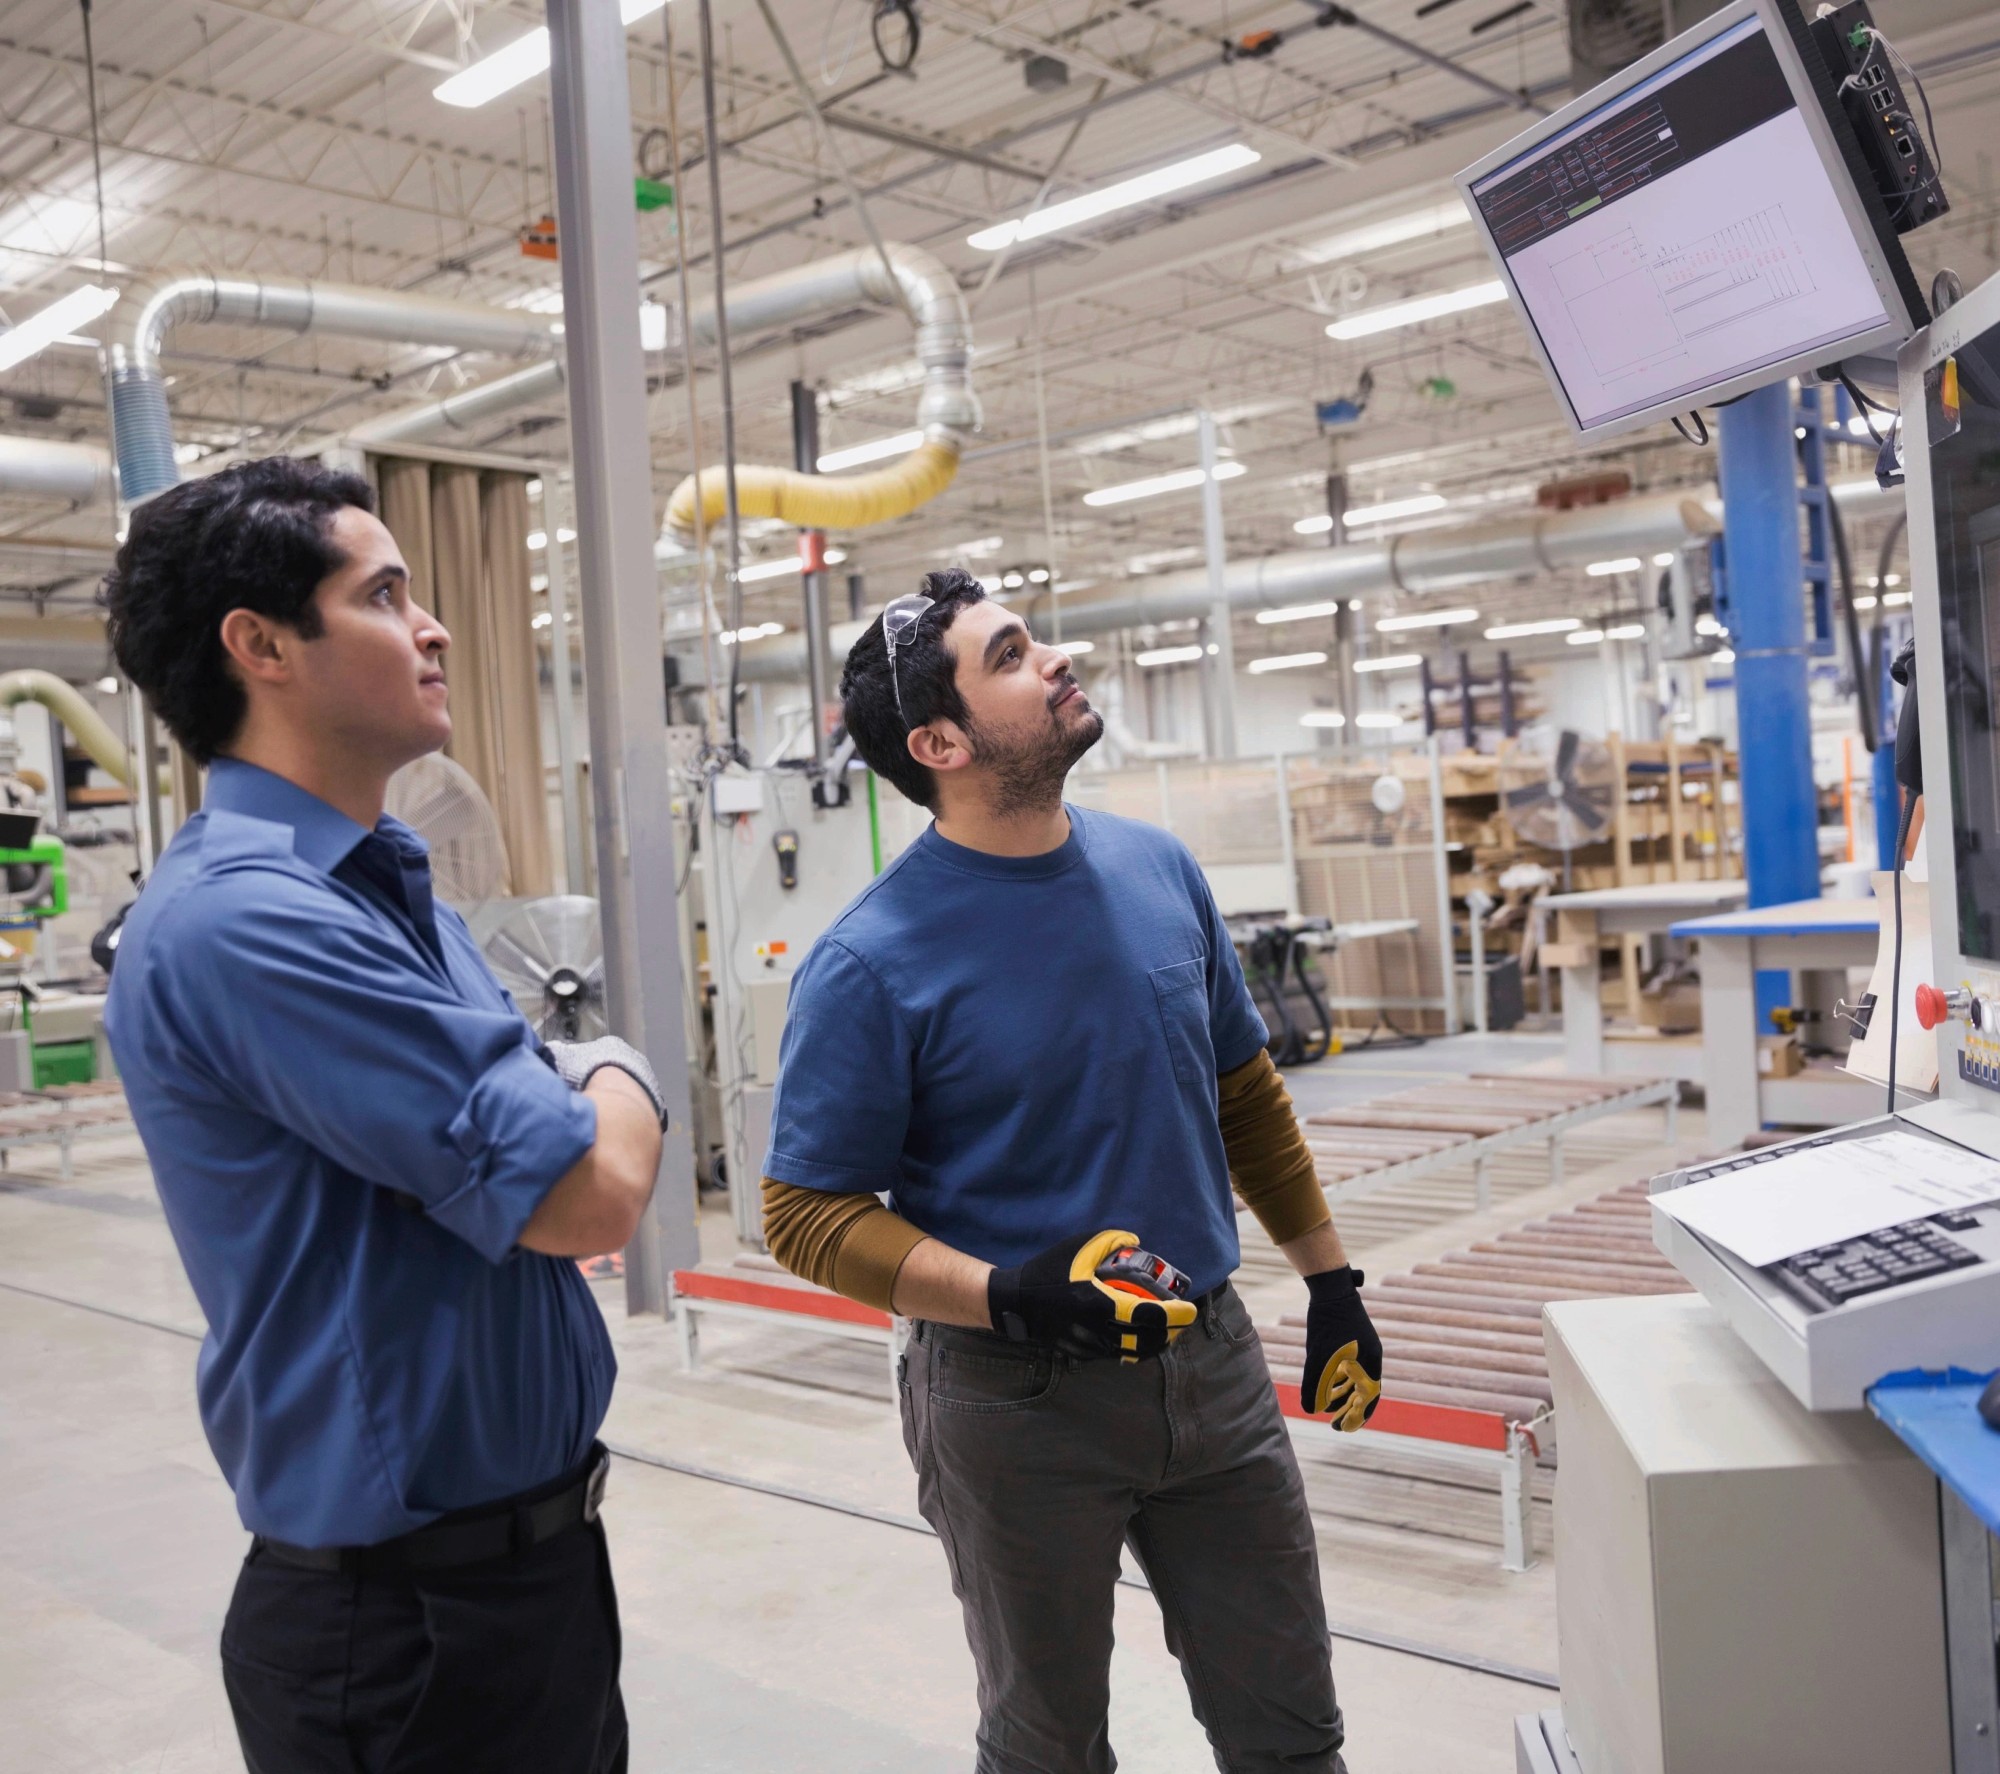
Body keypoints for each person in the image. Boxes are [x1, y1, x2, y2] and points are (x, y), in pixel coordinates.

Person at [760, 567, 1384, 1773]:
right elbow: (804, 1215)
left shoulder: (1160, 872)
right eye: (1009, 656)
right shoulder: (870, 959)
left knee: (1292, 1733)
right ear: (938, 740)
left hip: (1211, 1367)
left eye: (1032, 639)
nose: (1052, 660)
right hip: (1013, 1400)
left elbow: (1241, 1092)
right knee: (1048, 1745)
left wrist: (1330, 1281)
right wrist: (1007, 1291)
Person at [101, 457, 664, 1774]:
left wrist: (578, 1084)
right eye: (385, 593)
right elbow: (584, 1194)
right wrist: (625, 1060)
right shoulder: (253, 919)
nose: (435, 625)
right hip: (409, 1634)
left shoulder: (380, 885)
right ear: (262, 647)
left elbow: (547, 1109)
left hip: (530, 1582)